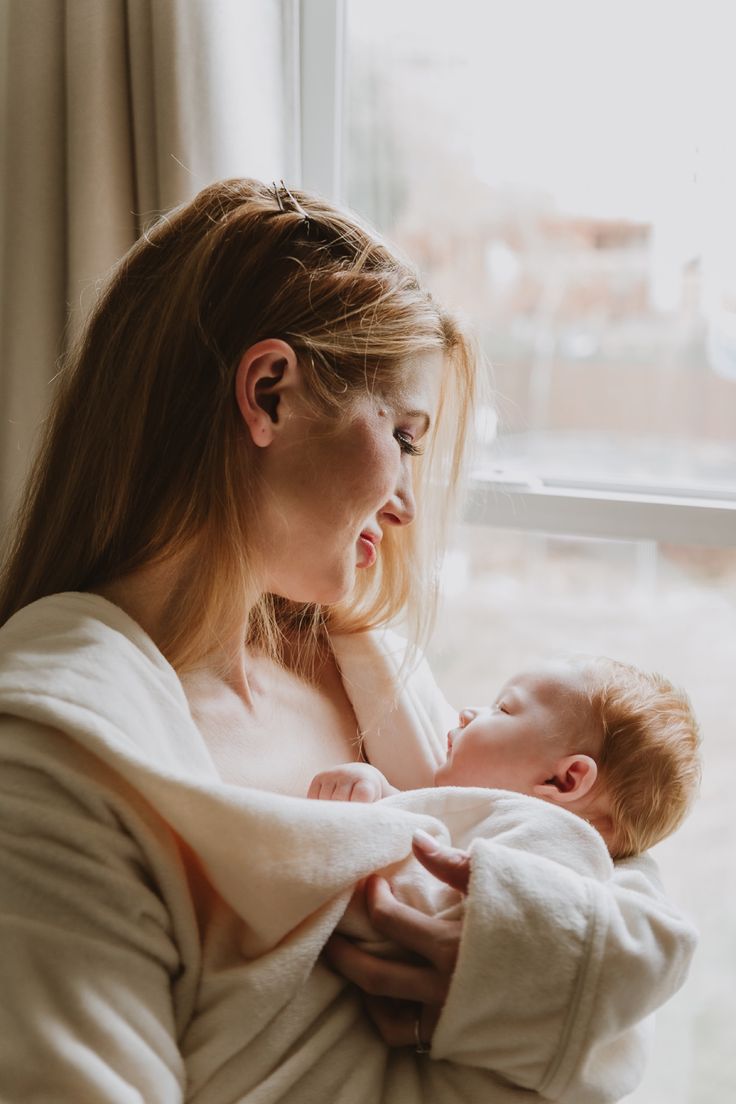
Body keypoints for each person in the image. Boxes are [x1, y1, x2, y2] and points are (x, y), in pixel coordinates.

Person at [0, 178, 697, 1104]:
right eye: (402, 437)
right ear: (269, 393)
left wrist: (544, 970)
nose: (407, 504)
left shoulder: (362, 662)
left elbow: (602, 847)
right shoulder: (54, 762)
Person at [309, 654, 702, 859]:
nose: (468, 713)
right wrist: (374, 789)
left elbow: (428, 851)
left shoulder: (555, 849)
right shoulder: (485, 816)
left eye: (503, 709)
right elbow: (425, 824)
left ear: (562, 780)